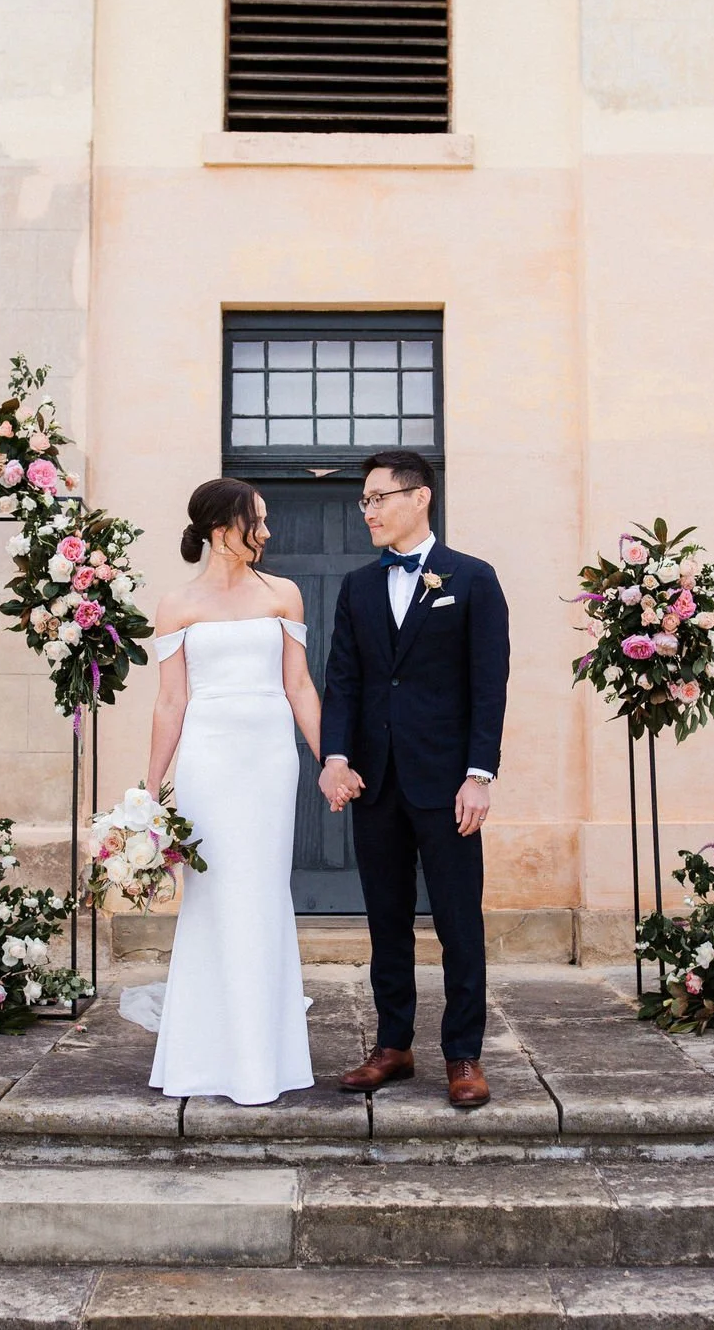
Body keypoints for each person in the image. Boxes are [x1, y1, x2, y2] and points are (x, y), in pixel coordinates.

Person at [319, 450, 510, 1108]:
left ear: (420, 496)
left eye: (378, 497)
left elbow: (489, 686)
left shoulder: (474, 579)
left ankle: (463, 1054)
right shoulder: (357, 588)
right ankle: (393, 1045)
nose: (367, 509)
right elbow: (341, 678)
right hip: (376, 783)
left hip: (447, 781)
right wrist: (335, 756)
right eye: (364, 500)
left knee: (459, 920)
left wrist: (479, 774)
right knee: (387, 919)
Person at [124, 478, 320, 1105]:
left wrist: (331, 759)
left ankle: (267, 1055)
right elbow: (171, 700)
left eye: (263, 521)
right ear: (218, 528)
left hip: (268, 759)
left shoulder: (283, 594)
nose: (264, 532)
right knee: (212, 897)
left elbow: (300, 687)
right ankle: (206, 1054)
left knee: (262, 891)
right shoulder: (176, 603)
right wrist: (149, 793)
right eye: (253, 522)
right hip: (208, 760)